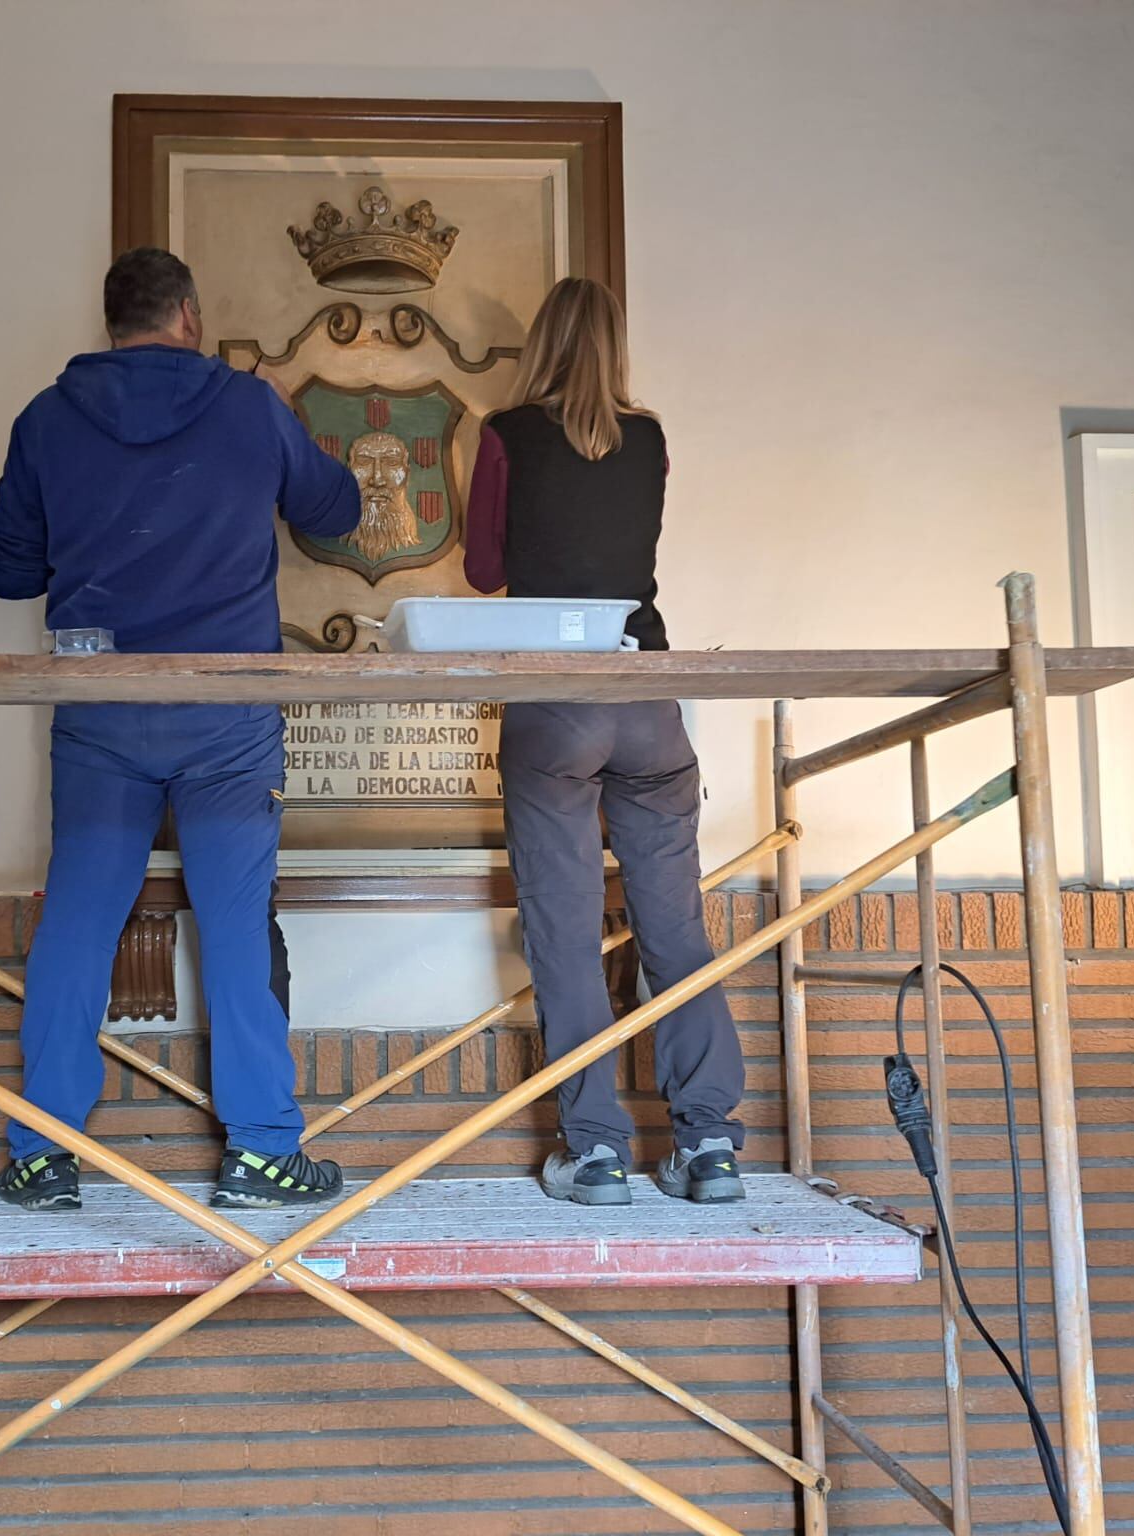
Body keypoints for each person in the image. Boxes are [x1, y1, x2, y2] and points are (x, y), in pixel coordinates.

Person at [0, 247, 359, 1212]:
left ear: (110, 321)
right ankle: (263, 1151)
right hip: (227, 711)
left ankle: (42, 1152)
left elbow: (7, 570)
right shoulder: (246, 406)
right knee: (233, 929)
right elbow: (336, 510)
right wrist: (279, 432)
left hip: (100, 706)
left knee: (77, 922)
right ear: (188, 314)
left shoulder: (46, 419)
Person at [465, 276, 746, 1207]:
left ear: (539, 344)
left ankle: (595, 1152)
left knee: (566, 933)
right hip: (649, 692)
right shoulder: (652, 437)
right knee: (676, 930)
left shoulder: (506, 434)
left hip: (555, 697)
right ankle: (708, 1145)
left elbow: (483, 570)